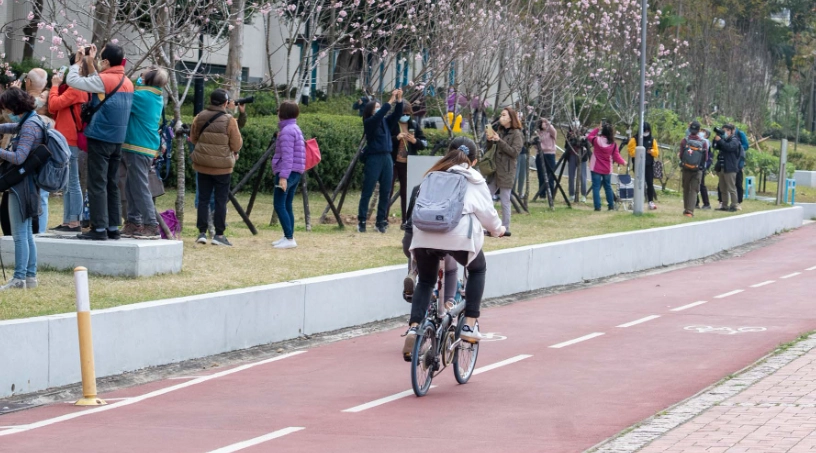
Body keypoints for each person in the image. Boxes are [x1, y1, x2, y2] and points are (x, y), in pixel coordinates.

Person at [403, 137, 505, 360]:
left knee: (426, 281)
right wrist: (499, 230)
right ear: (474, 160)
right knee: (478, 268)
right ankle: (469, 324)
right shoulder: (475, 179)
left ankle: (414, 326)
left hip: (423, 235)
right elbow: (488, 215)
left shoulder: (432, 175)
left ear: (447, 154)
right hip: (456, 237)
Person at [66, 43, 134, 240]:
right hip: (117, 140)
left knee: (97, 183)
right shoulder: (127, 81)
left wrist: (77, 62)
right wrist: (92, 60)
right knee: (111, 183)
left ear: (106, 61)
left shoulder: (103, 80)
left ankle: (98, 228)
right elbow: (101, 81)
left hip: (100, 137)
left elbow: (74, 80)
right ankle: (113, 227)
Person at [0, 88, 43, 290]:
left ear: (15, 107)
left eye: (7, 108)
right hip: (28, 184)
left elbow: (19, 157)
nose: (6, 111)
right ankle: (30, 276)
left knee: (19, 234)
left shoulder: (30, 126)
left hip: (20, 185)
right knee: (26, 234)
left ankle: (18, 279)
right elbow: (13, 127)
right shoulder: (31, 120)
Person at [119, 67, 168, 240]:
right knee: (131, 186)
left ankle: (151, 225)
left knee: (139, 187)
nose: (141, 76)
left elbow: (124, 95)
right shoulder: (153, 95)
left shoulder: (144, 97)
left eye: (144, 75)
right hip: (138, 146)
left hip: (140, 146)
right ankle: (133, 222)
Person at [190, 89, 243, 246]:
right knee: (220, 199)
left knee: (203, 199)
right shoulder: (229, 120)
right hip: (222, 168)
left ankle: (201, 232)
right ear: (226, 103)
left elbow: (193, 138)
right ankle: (219, 235)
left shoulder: (199, 117)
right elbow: (236, 144)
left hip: (202, 164)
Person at [401, 185, 458, 314]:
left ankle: (413, 274)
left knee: (415, 257)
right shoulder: (452, 190)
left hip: (412, 238)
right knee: (451, 269)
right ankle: (449, 302)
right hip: (438, 242)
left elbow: (409, 214)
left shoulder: (418, 188)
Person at [48, 56, 87, 234]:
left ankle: (74, 221)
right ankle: (68, 220)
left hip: (69, 139)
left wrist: (55, 85)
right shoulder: (79, 87)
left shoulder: (77, 88)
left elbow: (53, 104)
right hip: (65, 138)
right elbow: (53, 108)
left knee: (72, 181)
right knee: (67, 182)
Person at [358, 89, 403, 233]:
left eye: (379, 106)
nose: (378, 108)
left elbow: (396, 115)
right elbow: (380, 115)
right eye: (376, 107)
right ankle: (362, 220)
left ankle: (381, 221)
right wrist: (389, 101)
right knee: (368, 190)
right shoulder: (369, 122)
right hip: (374, 157)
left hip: (387, 157)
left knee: (386, 190)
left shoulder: (385, 121)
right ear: (370, 110)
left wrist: (399, 100)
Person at [271, 101, 305, 249]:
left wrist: (283, 177)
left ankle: (289, 238)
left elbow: (287, 156)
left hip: (287, 172)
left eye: (279, 110)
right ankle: (288, 235)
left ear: (283, 113)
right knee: (287, 204)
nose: (277, 113)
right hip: (296, 171)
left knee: (279, 204)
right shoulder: (295, 128)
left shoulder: (286, 132)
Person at [486, 107, 523, 234]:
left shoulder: (517, 134)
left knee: (505, 200)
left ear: (510, 118)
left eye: (504, 115)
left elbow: (514, 152)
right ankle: (490, 226)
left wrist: (499, 141)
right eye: (501, 115)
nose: (501, 117)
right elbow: (491, 148)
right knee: (485, 197)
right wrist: (490, 140)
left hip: (507, 170)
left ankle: (505, 228)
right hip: (495, 169)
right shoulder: (500, 131)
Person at [390, 102, 427, 229]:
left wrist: (415, 141)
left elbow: (424, 143)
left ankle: (406, 221)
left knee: (407, 193)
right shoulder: (392, 123)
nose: (405, 116)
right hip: (394, 162)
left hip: (408, 164)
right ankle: (383, 219)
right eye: (403, 113)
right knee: (387, 191)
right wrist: (397, 138)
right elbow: (385, 139)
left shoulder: (414, 125)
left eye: (407, 114)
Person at [588, 122, 626, 211]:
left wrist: (597, 128)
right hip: (607, 168)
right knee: (608, 187)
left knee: (596, 187)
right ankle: (611, 205)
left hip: (595, 167)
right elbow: (616, 157)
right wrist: (624, 162)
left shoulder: (596, 140)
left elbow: (589, 136)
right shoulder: (613, 144)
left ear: (603, 132)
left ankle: (597, 207)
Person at [626, 122, 660, 210]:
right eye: (644, 131)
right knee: (638, 183)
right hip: (638, 165)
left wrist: (651, 152)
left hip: (649, 165)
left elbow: (656, 153)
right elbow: (631, 152)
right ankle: (635, 201)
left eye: (647, 131)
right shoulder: (634, 139)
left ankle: (650, 202)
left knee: (650, 183)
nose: (646, 132)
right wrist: (640, 152)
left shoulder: (652, 140)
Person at [678, 121, 708, 217]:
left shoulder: (684, 141)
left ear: (690, 129)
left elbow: (681, 155)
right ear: (699, 130)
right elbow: (706, 158)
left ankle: (686, 208)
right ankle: (690, 211)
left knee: (686, 188)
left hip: (686, 169)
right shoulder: (703, 143)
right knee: (694, 190)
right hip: (697, 169)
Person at [712, 124, 741, 212]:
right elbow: (716, 147)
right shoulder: (725, 140)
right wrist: (716, 139)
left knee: (731, 188)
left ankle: (734, 205)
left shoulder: (735, 140)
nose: (724, 133)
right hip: (722, 167)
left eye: (725, 131)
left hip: (730, 167)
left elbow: (729, 147)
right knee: (722, 188)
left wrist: (720, 140)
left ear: (730, 131)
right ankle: (724, 205)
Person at [565, 120, 589, 202]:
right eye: (574, 126)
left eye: (576, 126)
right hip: (571, 155)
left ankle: (583, 195)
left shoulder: (583, 133)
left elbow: (586, 144)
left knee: (583, 177)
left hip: (582, 156)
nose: (575, 128)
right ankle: (571, 194)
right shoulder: (569, 134)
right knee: (571, 176)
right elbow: (566, 145)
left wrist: (581, 141)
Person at [536, 118, 558, 198]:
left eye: (545, 123)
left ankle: (551, 193)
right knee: (541, 174)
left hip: (550, 154)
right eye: (542, 122)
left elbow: (554, 131)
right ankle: (542, 193)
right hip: (540, 154)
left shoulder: (551, 131)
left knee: (550, 174)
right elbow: (535, 144)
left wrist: (547, 122)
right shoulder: (539, 132)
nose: (544, 124)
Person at [696, 128, 714, 210]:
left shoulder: (706, 141)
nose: (701, 133)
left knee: (701, 184)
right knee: (695, 184)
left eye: (703, 132)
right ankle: (696, 202)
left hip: (702, 166)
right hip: (696, 164)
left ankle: (706, 203)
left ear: (707, 135)